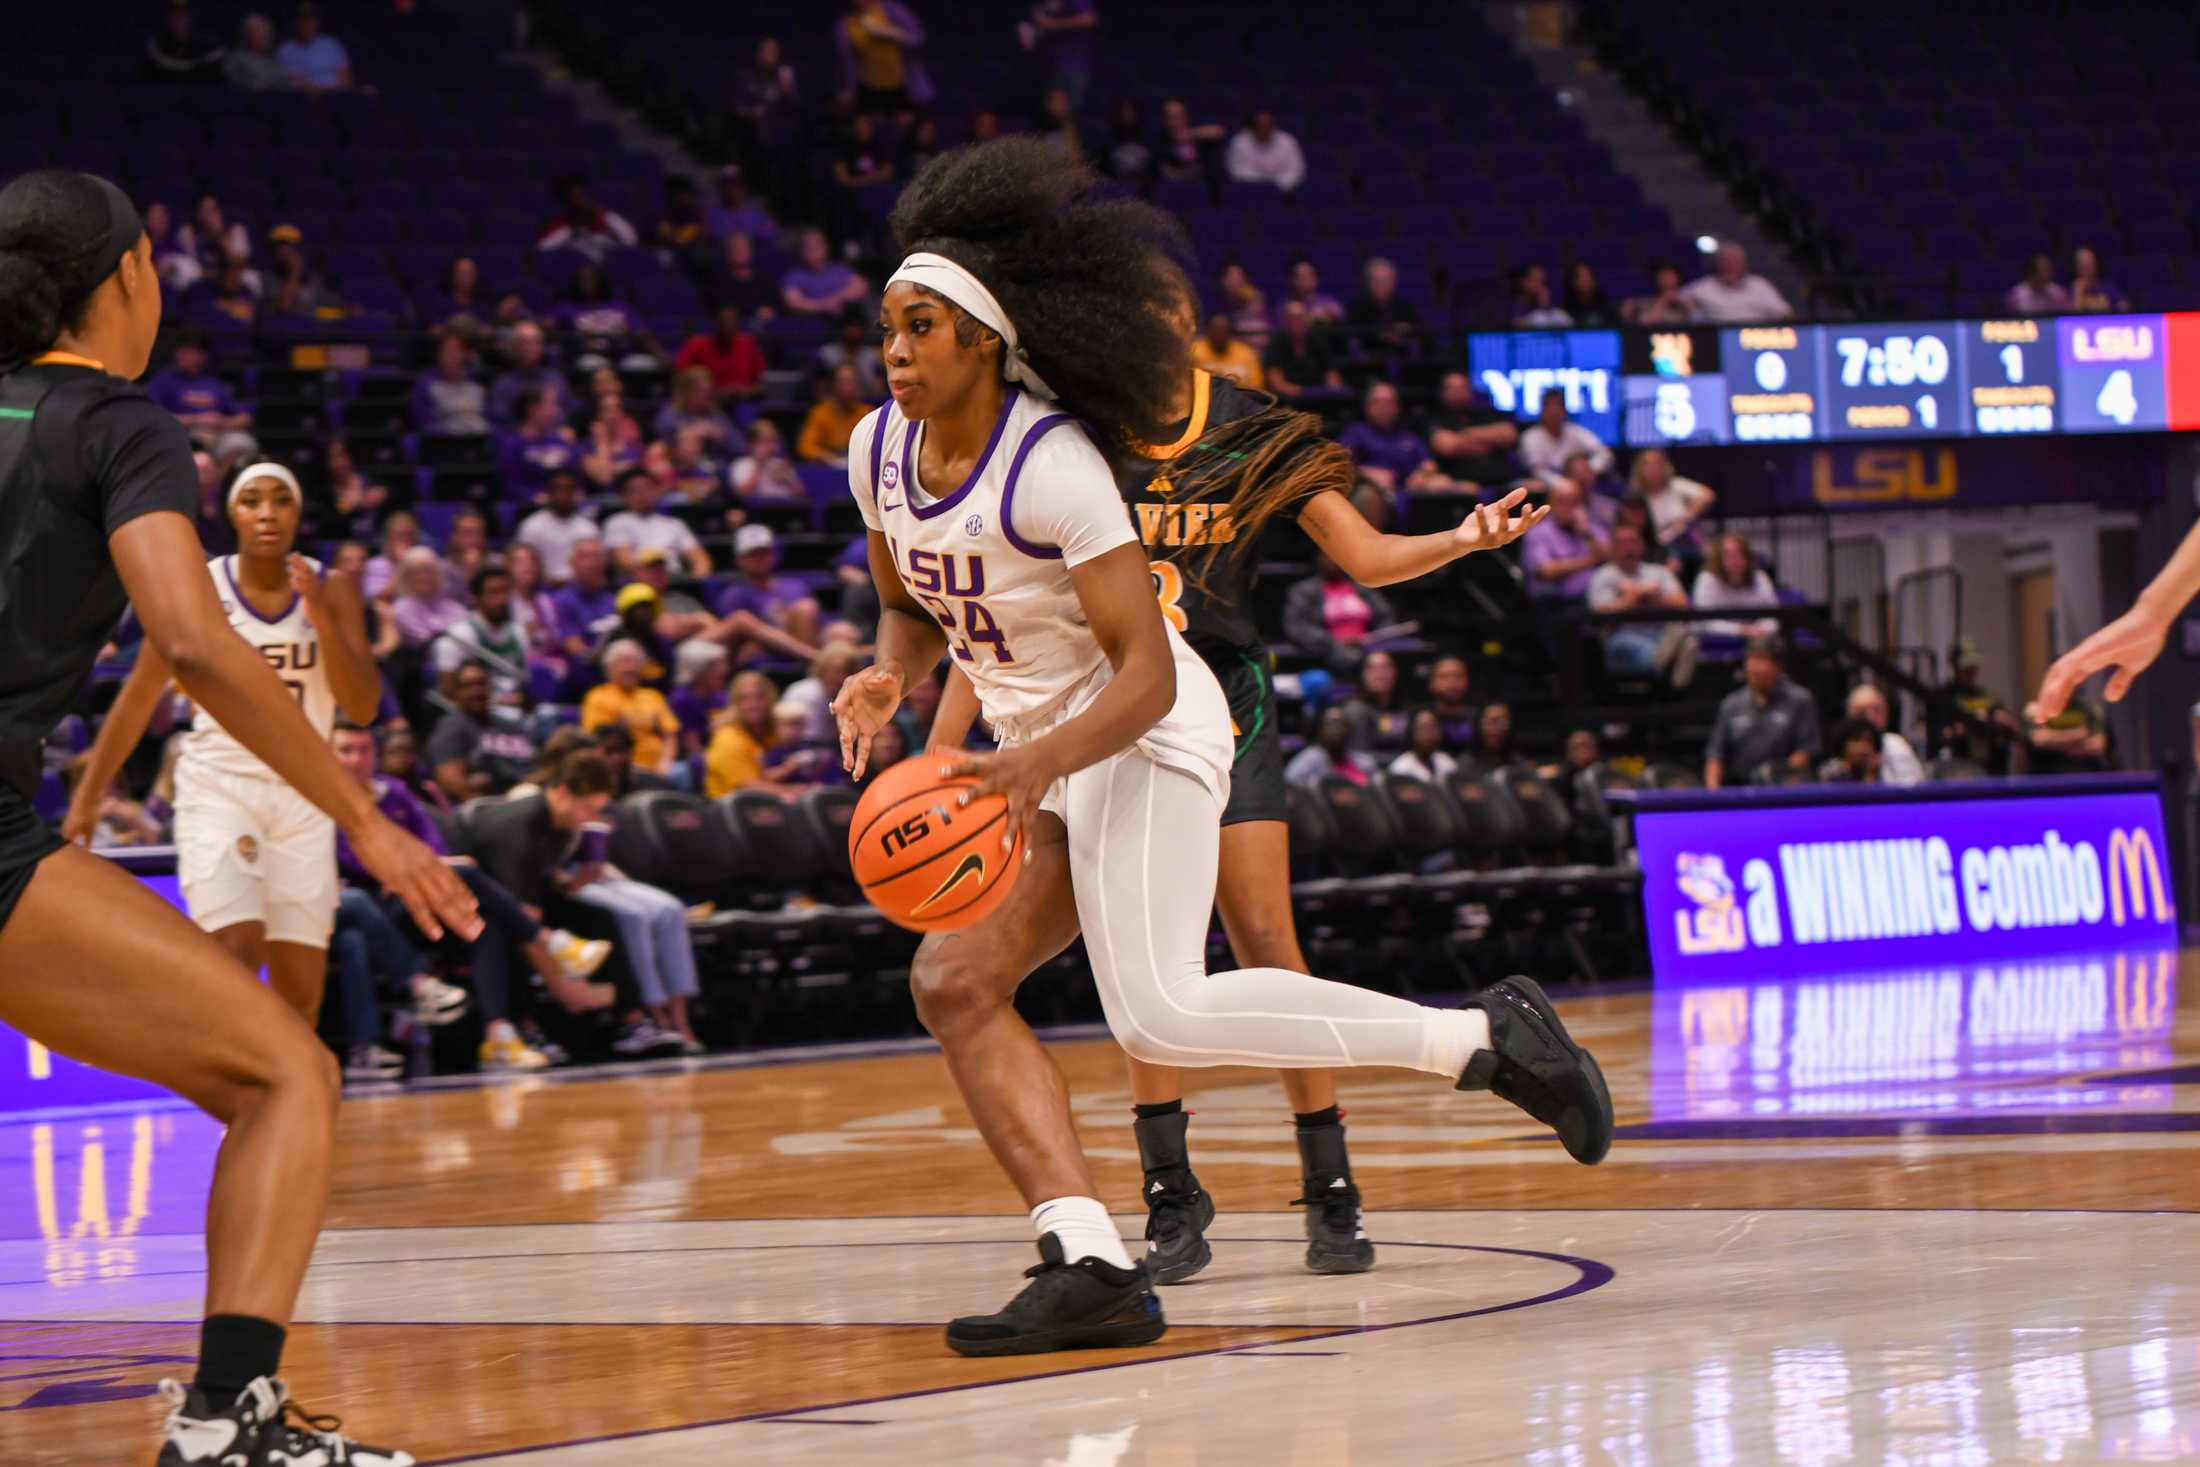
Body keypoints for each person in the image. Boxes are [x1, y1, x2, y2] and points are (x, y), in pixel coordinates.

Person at [835, 139, 1608, 1356]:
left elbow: (1145, 677)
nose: (892, 349)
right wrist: (887, 671)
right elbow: (911, 604)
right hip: (1039, 749)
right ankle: (1086, 1257)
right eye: (885, 326)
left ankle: (1482, 1043)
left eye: (918, 326)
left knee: (1159, 1016)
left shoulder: (1056, 466)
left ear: (983, 338)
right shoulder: (877, 450)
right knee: (955, 982)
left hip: (1144, 733)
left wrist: (1036, 762)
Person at [0, 168, 472, 1464]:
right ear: (133, 277)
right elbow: (193, 641)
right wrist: (370, 823)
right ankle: (228, 1420)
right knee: (286, 1074)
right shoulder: (119, 424)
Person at [69, 457, 388, 1038]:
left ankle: (285, 1122)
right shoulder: (200, 588)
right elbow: (138, 699)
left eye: (281, 500)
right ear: (233, 513)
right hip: (221, 787)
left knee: (300, 998)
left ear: (298, 511)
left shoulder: (332, 587)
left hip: (307, 794)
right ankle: (236, 1122)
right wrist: (86, 799)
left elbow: (363, 707)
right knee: (236, 955)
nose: (267, 513)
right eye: (252, 500)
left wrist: (317, 613)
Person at [330, 722, 611, 1071]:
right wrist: (401, 869)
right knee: (463, 874)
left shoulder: (395, 792)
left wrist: (421, 867)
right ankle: (549, 942)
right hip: (372, 903)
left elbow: (433, 842)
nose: (357, 759)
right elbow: (343, 856)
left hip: (418, 896)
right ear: (328, 754)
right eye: (346, 750)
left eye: (364, 749)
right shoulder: (323, 800)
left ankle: (500, 1035)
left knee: (482, 921)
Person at [1703, 635, 1820, 788]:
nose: (1754, 667)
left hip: (1783, 789)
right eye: (1751, 659)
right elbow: (1715, 757)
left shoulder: (1800, 700)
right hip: (1739, 789)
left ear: (1778, 666)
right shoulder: (1731, 704)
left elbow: (1805, 753)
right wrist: (1714, 795)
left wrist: (1778, 777)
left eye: (1762, 659)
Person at [1587, 522, 1692, 680]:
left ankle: (1667, 679)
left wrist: (1654, 597)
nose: (1629, 548)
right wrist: (1634, 597)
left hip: (1660, 632)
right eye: (1622, 543)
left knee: (1688, 640)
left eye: (1633, 542)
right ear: (1612, 547)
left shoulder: (1658, 571)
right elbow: (1600, 612)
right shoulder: (1603, 575)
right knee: (1678, 646)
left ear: (1642, 545)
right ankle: (1664, 673)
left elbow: (1683, 603)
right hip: (1622, 635)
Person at [425, 661, 538, 799]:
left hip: (529, 796)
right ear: (456, 692)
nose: (477, 691)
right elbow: (451, 782)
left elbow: (535, 764)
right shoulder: (451, 728)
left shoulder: (509, 725)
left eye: (481, 684)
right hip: (491, 806)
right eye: (469, 685)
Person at [581, 640, 682, 778]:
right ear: (609, 668)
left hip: (659, 766)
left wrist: (665, 763)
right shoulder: (598, 697)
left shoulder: (653, 696)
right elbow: (601, 740)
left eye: (635, 662)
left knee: (680, 772)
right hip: (622, 765)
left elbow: (670, 735)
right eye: (622, 662)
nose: (630, 668)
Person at [602, 467, 712, 580]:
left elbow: (700, 558)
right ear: (624, 496)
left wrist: (696, 581)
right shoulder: (617, 522)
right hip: (637, 582)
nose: (642, 494)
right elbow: (623, 561)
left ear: (656, 490)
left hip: (674, 581)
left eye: (647, 488)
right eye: (635, 490)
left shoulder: (673, 524)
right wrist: (653, 577)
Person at [1424, 371, 1518, 490]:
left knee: (1533, 487)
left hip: (1503, 481)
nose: (1458, 393)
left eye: (1463, 387)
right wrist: (1489, 441)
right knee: (1466, 489)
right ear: (1442, 393)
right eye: (1451, 388)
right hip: (1457, 481)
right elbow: (1448, 446)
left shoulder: (1485, 412)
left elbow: (1509, 434)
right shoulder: (1435, 418)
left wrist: (1464, 435)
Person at [1521, 479, 1610, 602]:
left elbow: (1611, 558)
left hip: (1598, 597)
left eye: (1573, 502)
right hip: (1557, 603)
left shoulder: (1590, 529)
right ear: (1549, 503)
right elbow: (1547, 571)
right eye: (1562, 501)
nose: (1567, 507)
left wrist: (1587, 534)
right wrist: (1590, 561)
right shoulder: (1538, 533)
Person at [703, 670, 783, 795]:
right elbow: (750, 787)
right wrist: (795, 791)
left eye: (759, 697)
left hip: (764, 805)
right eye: (744, 699)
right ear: (734, 704)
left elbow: (767, 776)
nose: (753, 705)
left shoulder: (772, 732)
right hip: (732, 809)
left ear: (771, 698)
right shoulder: (727, 738)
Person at [1628, 447, 1715, 559]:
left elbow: (1708, 495)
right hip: (1656, 548)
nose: (1654, 468)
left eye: (1658, 464)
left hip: (1687, 541)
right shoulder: (1636, 496)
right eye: (1648, 465)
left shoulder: (1676, 485)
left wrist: (1685, 519)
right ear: (1640, 469)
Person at [1691, 530, 1781, 637]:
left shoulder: (1760, 577)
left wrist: (1762, 629)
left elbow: (1773, 615)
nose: (1734, 560)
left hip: (1757, 636)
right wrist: (1740, 630)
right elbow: (1705, 622)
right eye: (1728, 555)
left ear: (1747, 557)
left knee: (1766, 642)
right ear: (1718, 559)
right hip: (1718, 639)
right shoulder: (1707, 579)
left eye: (1739, 554)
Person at [515, 470, 599, 585]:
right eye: (557, 489)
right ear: (548, 493)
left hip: (579, 588)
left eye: (568, 489)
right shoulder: (531, 526)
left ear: (575, 493)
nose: (563, 495)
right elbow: (523, 565)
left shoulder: (588, 528)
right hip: (540, 587)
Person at [1680, 242, 1793, 323]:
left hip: (1755, 339)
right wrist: (1692, 309)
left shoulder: (1759, 285)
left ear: (1743, 264)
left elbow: (1785, 313)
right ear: (1718, 264)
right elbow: (1679, 297)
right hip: (1715, 340)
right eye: (1726, 262)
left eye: (1735, 262)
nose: (1730, 266)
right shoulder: (1704, 286)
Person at [535, 175, 638, 263]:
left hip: (609, 264)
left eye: (583, 195)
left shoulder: (604, 216)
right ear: (568, 200)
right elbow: (542, 248)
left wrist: (605, 216)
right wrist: (571, 231)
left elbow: (631, 240)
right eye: (576, 196)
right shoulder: (561, 223)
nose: (582, 200)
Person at [1518, 391, 1612, 486]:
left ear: (1564, 410)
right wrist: (1563, 483)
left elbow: (1604, 453)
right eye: (1549, 406)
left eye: (1558, 406)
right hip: (1549, 488)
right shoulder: (1531, 437)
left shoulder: (1576, 431)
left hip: (1582, 484)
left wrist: (1589, 470)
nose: (1554, 411)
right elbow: (1537, 471)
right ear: (1542, 410)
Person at [1844, 683, 1924, 786]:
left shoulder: (1894, 744)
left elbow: (1911, 790)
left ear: (1886, 713)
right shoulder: (1842, 747)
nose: (1870, 717)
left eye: (1876, 710)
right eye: (1862, 712)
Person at [1262, 300, 1342, 401]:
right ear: (1285, 321)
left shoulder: (1317, 340)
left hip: (1319, 398)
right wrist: (1303, 393)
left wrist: (1331, 391)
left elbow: (1332, 374)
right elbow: (1277, 384)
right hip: (1288, 400)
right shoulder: (1276, 343)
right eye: (1292, 318)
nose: (1297, 322)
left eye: (1300, 317)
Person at [783, 227, 870, 319]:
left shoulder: (838, 269)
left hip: (846, 319)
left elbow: (862, 287)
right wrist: (824, 306)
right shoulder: (794, 276)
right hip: (812, 323)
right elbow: (794, 303)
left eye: (819, 246)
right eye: (810, 249)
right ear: (801, 251)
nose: (816, 253)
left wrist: (838, 299)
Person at [412, 333, 488, 438]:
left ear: (464, 354)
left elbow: (488, 416)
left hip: (480, 438)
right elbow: (424, 422)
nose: (452, 355)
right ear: (439, 355)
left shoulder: (476, 383)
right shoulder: (426, 384)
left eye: (456, 350)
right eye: (447, 351)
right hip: (446, 441)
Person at [798, 362, 874, 464]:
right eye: (843, 381)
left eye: (852, 382)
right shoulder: (820, 413)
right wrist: (826, 457)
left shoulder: (868, 414)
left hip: (859, 465)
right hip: (828, 467)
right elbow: (805, 446)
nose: (848, 387)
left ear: (859, 385)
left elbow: (877, 447)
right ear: (833, 385)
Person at [1284, 705, 1377, 786]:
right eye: (1330, 724)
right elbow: (1289, 789)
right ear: (1319, 730)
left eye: (1341, 723)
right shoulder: (1307, 761)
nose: (1336, 729)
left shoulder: (1365, 762)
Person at [274, 3, 352, 93]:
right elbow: (293, 82)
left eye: (310, 20)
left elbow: (346, 79)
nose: (307, 25)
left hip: (336, 96)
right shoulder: (286, 50)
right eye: (303, 21)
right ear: (296, 23)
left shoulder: (331, 45)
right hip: (306, 99)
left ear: (317, 22)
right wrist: (320, 91)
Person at [1224, 110, 1306, 194]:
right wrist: (1265, 184)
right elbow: (1238, 170)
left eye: (1268, 126)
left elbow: (1296, 169)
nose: (1264, 130)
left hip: (1283, 191)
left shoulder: (1288, 141)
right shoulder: (1239, 142)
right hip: (1249, 191)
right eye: (1260, 126)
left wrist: (1278, 183)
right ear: (1252, 128)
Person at [1187, 311, 1262, 389]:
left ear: (1230, 332)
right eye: (1216, 330)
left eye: (1224, 331)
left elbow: (1256, 385)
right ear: (1208, 331)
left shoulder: (1245, 353)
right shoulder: (1194, 351)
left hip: (1240, 398)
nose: (1220, 335)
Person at [1389, 708, 1458, 784]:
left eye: (1432, 728)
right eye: (1423, 728)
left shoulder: (1447, 762)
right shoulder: (1401, 769)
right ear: (1411, 732)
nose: (1428, 734)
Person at [224, 11, 286, 91]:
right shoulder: (236, 59)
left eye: (267, 33)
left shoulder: (273, 61)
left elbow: (283, 85)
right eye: (260, 32)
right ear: (247, 34)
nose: (265, 37)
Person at [1621, 260, 1696, 324]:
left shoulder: (1689, 300)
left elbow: (1698, 319)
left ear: (1678, 278)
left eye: (1670, 276)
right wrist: (1664, 301)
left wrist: (1679, 301)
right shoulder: (1646, 303)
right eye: (1663, 276)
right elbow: (1645, 322)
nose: (1667, 280)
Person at [1816, 718, 1881, 784]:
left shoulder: (1880, 770)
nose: (1863, 747)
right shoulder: (1830, 771)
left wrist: (1870, 775)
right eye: (1856, 740)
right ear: (1843, 745)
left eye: (1868, 741)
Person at [2005, 253, 2070, 316]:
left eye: (2049, 270)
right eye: (2044, 270)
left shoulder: (2058, 292)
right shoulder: (2016, 295)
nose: (2049, 274)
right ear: (2032, 273)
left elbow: (2067, 316)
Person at [2068, 245, 2128, 313]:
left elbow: (2124, 309)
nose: (2087, 268)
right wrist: (2078, 292)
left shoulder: (2109, 287)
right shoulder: (2072, 290)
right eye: (2082, 264)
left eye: (2089, 263)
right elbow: (2072, 319)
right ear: (2076, 267)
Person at [1509, 263, 1571, 327]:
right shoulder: (1512, 305)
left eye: (1542, 280)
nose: (1540, 285)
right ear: (1523, 282)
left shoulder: (1546, 303)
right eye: (1535, 280)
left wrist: (1543, 306)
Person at [1561, 261, 1616, 326]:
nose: (1586, 280)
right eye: (1581, 277)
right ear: (1573, 281)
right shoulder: (1565, 311)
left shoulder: (1605, 304)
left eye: (1588, 276)